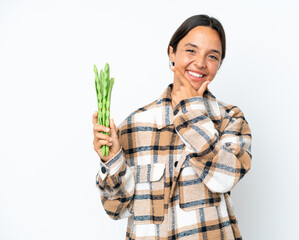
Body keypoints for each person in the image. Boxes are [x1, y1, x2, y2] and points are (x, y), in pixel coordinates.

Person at [92, 14, 252, 240]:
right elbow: (116, 209)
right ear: (171, 53)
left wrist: (191, 111)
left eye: (212, 56)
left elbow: (223, 179)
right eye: (191, 50)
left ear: (219, 64)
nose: (200, 63)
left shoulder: (230, 119)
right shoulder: (134, 126)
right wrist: (112, 160)